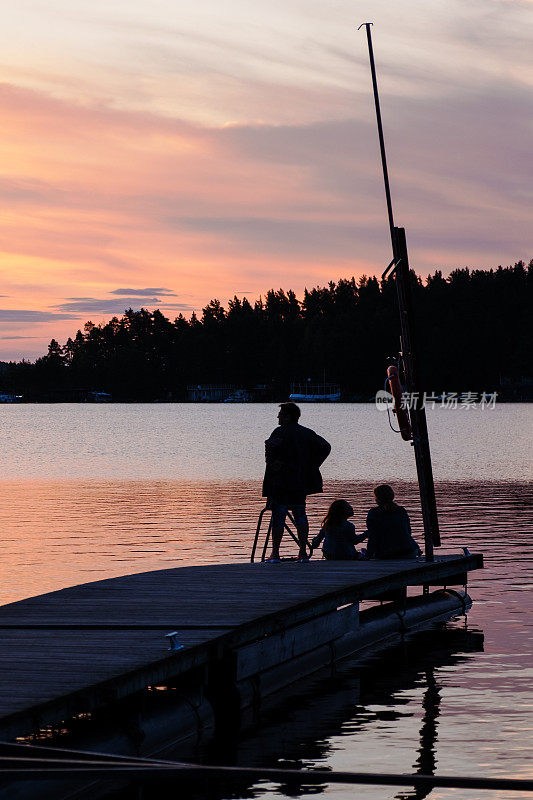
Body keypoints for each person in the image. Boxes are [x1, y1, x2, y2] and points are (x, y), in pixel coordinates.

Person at [263, 402, 331, 562]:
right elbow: (326, 447)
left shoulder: (279, 432)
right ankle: (302, 553)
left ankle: (276, 554)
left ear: (287, 416)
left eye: (280, 414)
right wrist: (312, 465)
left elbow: (270, 455)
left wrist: (275, 464)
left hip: (281, 484)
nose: (277, 417)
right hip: (300, 483)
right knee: (300, 515)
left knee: (278, 517)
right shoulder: (306, 433)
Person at [366, 484, 421, 559]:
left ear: (377, 498)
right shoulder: (401, 510)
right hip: (409, 551)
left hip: (386, 554)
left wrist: (368, 555)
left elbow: (373, 536)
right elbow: (408, 532)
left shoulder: (373, 513)